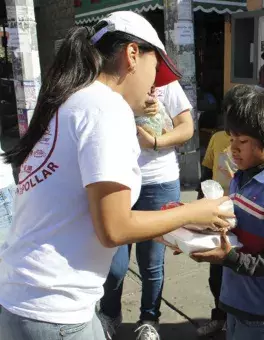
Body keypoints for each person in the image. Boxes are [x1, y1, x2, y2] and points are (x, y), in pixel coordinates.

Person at [0, 12, 232, 340]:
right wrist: (198, 211)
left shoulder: (73, 100)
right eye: (156, 71)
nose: (156, 87)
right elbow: (115, 228)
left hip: (20, 299)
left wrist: (174, 226)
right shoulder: (107, 108)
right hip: (56, 310)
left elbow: (79, 210)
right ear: (133, 54)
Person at [191, 85, 264, 340]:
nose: (233, 148)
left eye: (242, 142)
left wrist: (232, 259)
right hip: (235, 303)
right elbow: (238, 229)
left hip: (261, 314)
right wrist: (197, 236)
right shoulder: (239, 178)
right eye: (231, 140)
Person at [99, 80, 194, 340]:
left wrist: (155, 141)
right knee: (114, 265)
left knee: (151, 263)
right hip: (119, 180)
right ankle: (109, 313)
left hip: (159, 183)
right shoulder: (114, 81)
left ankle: (149, 319)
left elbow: (186, 129)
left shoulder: (168, 84)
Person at [195, 130, 236, 337]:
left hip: (241, 216)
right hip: (217, 216)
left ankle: (234, 320)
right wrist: (199, 203)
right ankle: (219, 318)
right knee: (216, 275)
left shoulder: (251, 139)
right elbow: (206, 169)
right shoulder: (217, 138)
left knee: (237, 272)